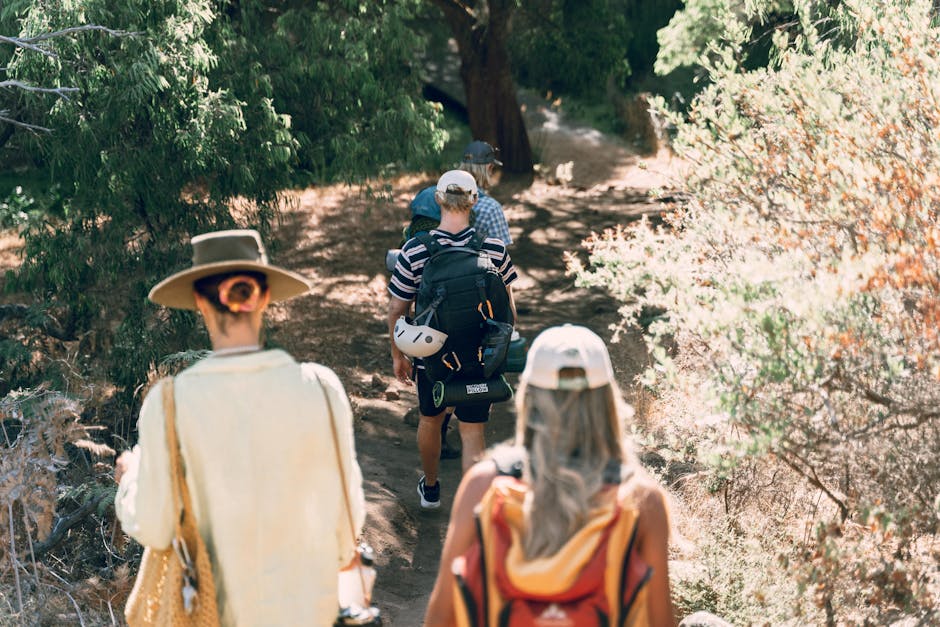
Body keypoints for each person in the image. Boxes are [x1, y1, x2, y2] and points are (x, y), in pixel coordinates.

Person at [114, 229, 366, 625]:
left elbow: (156, 527)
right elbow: (348, 518)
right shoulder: (321, 387)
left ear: (199, 301)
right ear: (265, 297)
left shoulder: (169, 404)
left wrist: (129, 480)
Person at [423, 324, 676, 626]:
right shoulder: (640, 499)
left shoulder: (484, 485)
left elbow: (441, 616)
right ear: (608, 402)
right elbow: (659, 620)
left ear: (528, 399)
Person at [388, 170, 518, 510]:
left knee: (431, 419)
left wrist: (398, 354)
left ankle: (430, 489)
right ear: (474, 201)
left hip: (431, 354)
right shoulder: (493, 249)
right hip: (477, 355)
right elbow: (509, 309)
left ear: (439, 200)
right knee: (472, 432)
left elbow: (397, 308)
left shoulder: (415, 250)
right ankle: (471, 506)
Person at [405, 140, 513, 461]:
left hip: (435, 326)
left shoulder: (424, 226)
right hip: (476, 325)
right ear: (487, 171)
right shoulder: (490, 209)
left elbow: (402, 299)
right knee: (474, 428)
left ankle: (433, 472)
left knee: (434, 403)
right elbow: (500, 273)